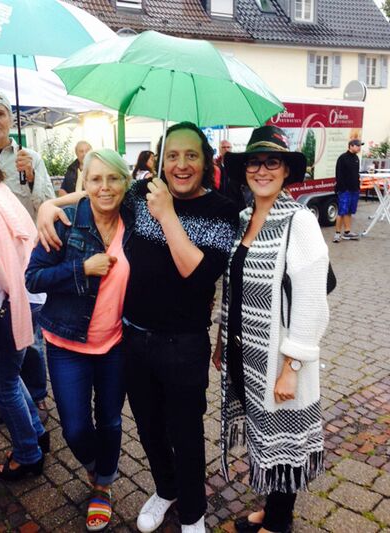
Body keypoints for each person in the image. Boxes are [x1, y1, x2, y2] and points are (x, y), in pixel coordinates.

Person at [35, 122, 238, 533]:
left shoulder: (222, 209)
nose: (181, 164)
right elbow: (99, 194)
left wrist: (168, 216)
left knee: (185, 430)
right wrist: (49, 205)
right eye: (173, 155)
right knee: (148, 427)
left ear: (206, 161)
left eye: (191, 155)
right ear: (160, 160)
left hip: (183, 344)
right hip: (133, 338)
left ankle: (193, 513)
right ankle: (166, 489)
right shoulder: (143, 193)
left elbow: (198, 275)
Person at [213, 125, 329, 533]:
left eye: (272, 162)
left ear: (286, 171)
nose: (261, 170)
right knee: (264, 433)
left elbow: (312, 301)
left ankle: (278, 524)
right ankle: (274, 511)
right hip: (245, 351)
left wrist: (291, 367)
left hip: (279, 358)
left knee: (283, 439)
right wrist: (222, 341)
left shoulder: (300, 221)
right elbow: (234, 287)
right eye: (254, 162)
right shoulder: (245, 218)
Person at [26, 149, 133, 532]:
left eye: (113, 178)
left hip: (115, 344)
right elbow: (32, 278)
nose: (105, 187)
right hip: (66, 345)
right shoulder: (66, 222)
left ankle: (102, 486)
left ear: (125, 183)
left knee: (110, 421)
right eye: (96, 179)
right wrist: (81, 268)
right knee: (74, 428)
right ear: (84, 183)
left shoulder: (135, 221)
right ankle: (95, 467)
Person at [0, 90, 54, 424]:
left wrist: (30, 179)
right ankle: (14, 398)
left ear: (11, 119)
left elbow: (46, 206)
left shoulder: (28, 158)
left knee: (29, 338)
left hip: (25, 261)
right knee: (1, 339)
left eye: (0, 113)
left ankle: (37, 396)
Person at [0, 150, 48, 482]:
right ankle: (36, 433)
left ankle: (28, 454)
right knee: (10, 377)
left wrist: (12, 293)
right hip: (28, 295)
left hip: (7, 303)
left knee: (3, 384)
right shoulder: (0, 190)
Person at [332, 139, 363, 243]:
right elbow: (338, 174)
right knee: (342, 211)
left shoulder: (356, 158)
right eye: (357, 146)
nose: (359, 148)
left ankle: (347, 232)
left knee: (349, 211)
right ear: (351, 146)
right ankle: (337, 234)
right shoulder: (342, 158)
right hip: (345, 190)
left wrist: (357, 186)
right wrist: (343, 188)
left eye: (360, 146)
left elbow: (355, 174)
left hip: (354, 189)